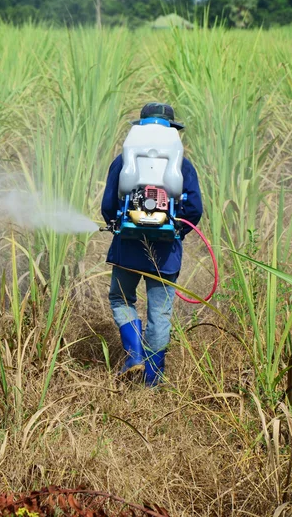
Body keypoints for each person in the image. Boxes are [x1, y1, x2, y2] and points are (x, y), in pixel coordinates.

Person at [101, 102, 203, 386]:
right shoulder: (183, 165)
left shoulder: (123, 161)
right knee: (159, 315)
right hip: (166, 255)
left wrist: (120, 224)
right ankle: (152, 382)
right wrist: (173, 230)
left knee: (121, 299)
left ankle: (134, 355)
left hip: (127, 250)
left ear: (141, 127)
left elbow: (108, 205)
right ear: (171, 130)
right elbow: (194, 210)